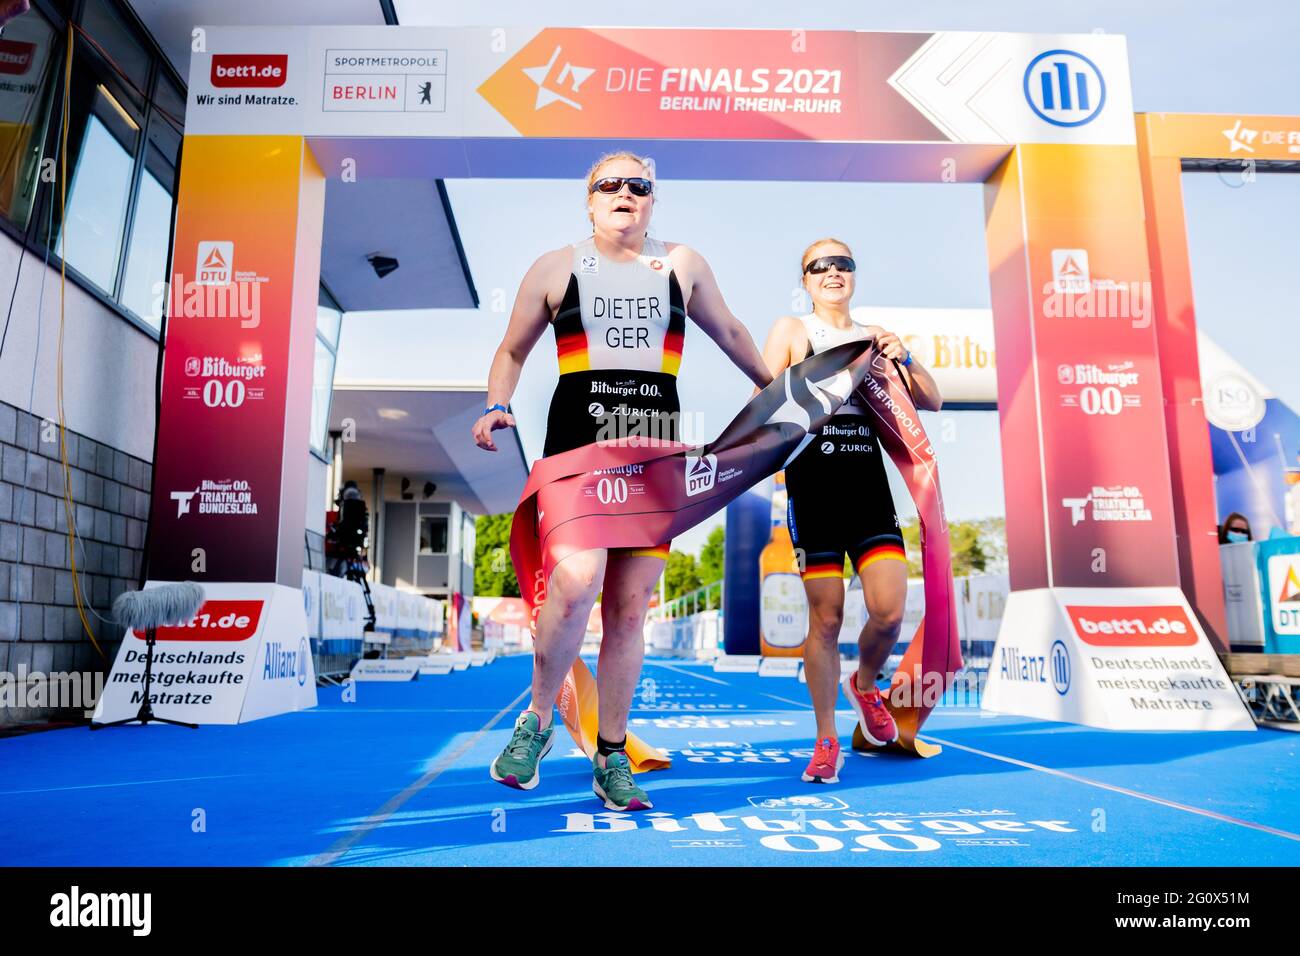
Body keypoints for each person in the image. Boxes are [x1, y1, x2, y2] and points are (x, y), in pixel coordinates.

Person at [472, 151, 772, 810]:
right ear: (589, 200)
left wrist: (779, 393)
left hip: (652, 447)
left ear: (652, 202)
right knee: (576, 582)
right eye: (610, 184)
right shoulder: (555, 267)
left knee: (630, 609)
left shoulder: (683, 264)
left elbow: (730, 331)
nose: (625, 194)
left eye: (640, 186)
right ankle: (538, 722)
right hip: (577, 443)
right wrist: (497, 402)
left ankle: (610, 752)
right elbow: (512, 349)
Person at [759, 238, 942, 784]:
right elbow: (763, 397)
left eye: (843, 264)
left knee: (888, 611)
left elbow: (932, 400)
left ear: (854, 276)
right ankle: (826, 738)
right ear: (806, 280)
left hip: (868, 486)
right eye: (821, 266)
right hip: (814, 487)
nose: (833, 272)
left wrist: (902, 355)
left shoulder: (874, 338)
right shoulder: (793, 330)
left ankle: (864, 685)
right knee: (828, 617)